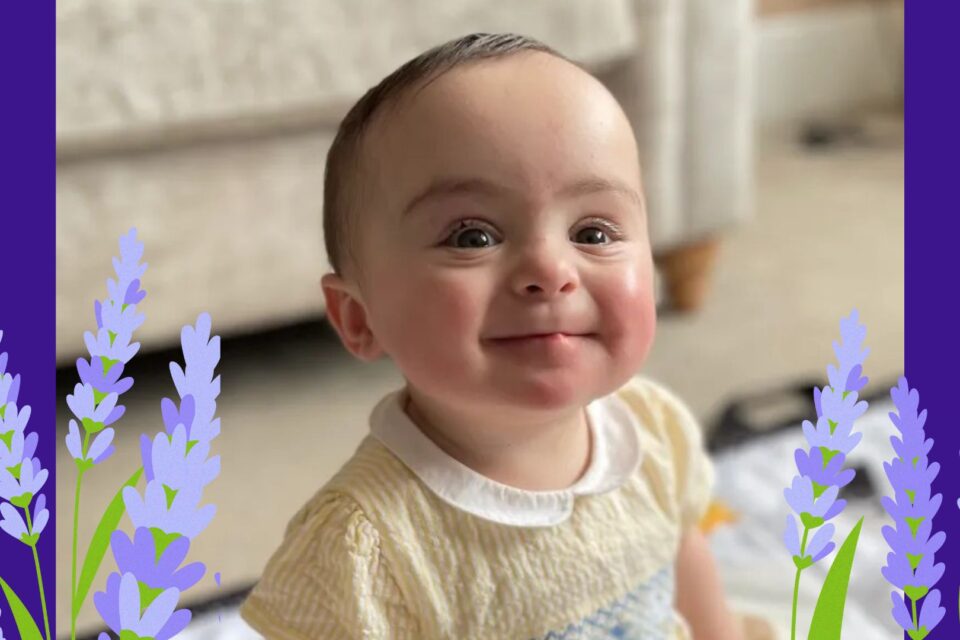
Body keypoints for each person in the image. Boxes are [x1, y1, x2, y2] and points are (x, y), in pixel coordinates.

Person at [240, 32, 743, 639]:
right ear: (358, 318)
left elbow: (684, 563)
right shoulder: (362, 549)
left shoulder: (654, 431)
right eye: (472, 237)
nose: (551, 272)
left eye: (593, 232)